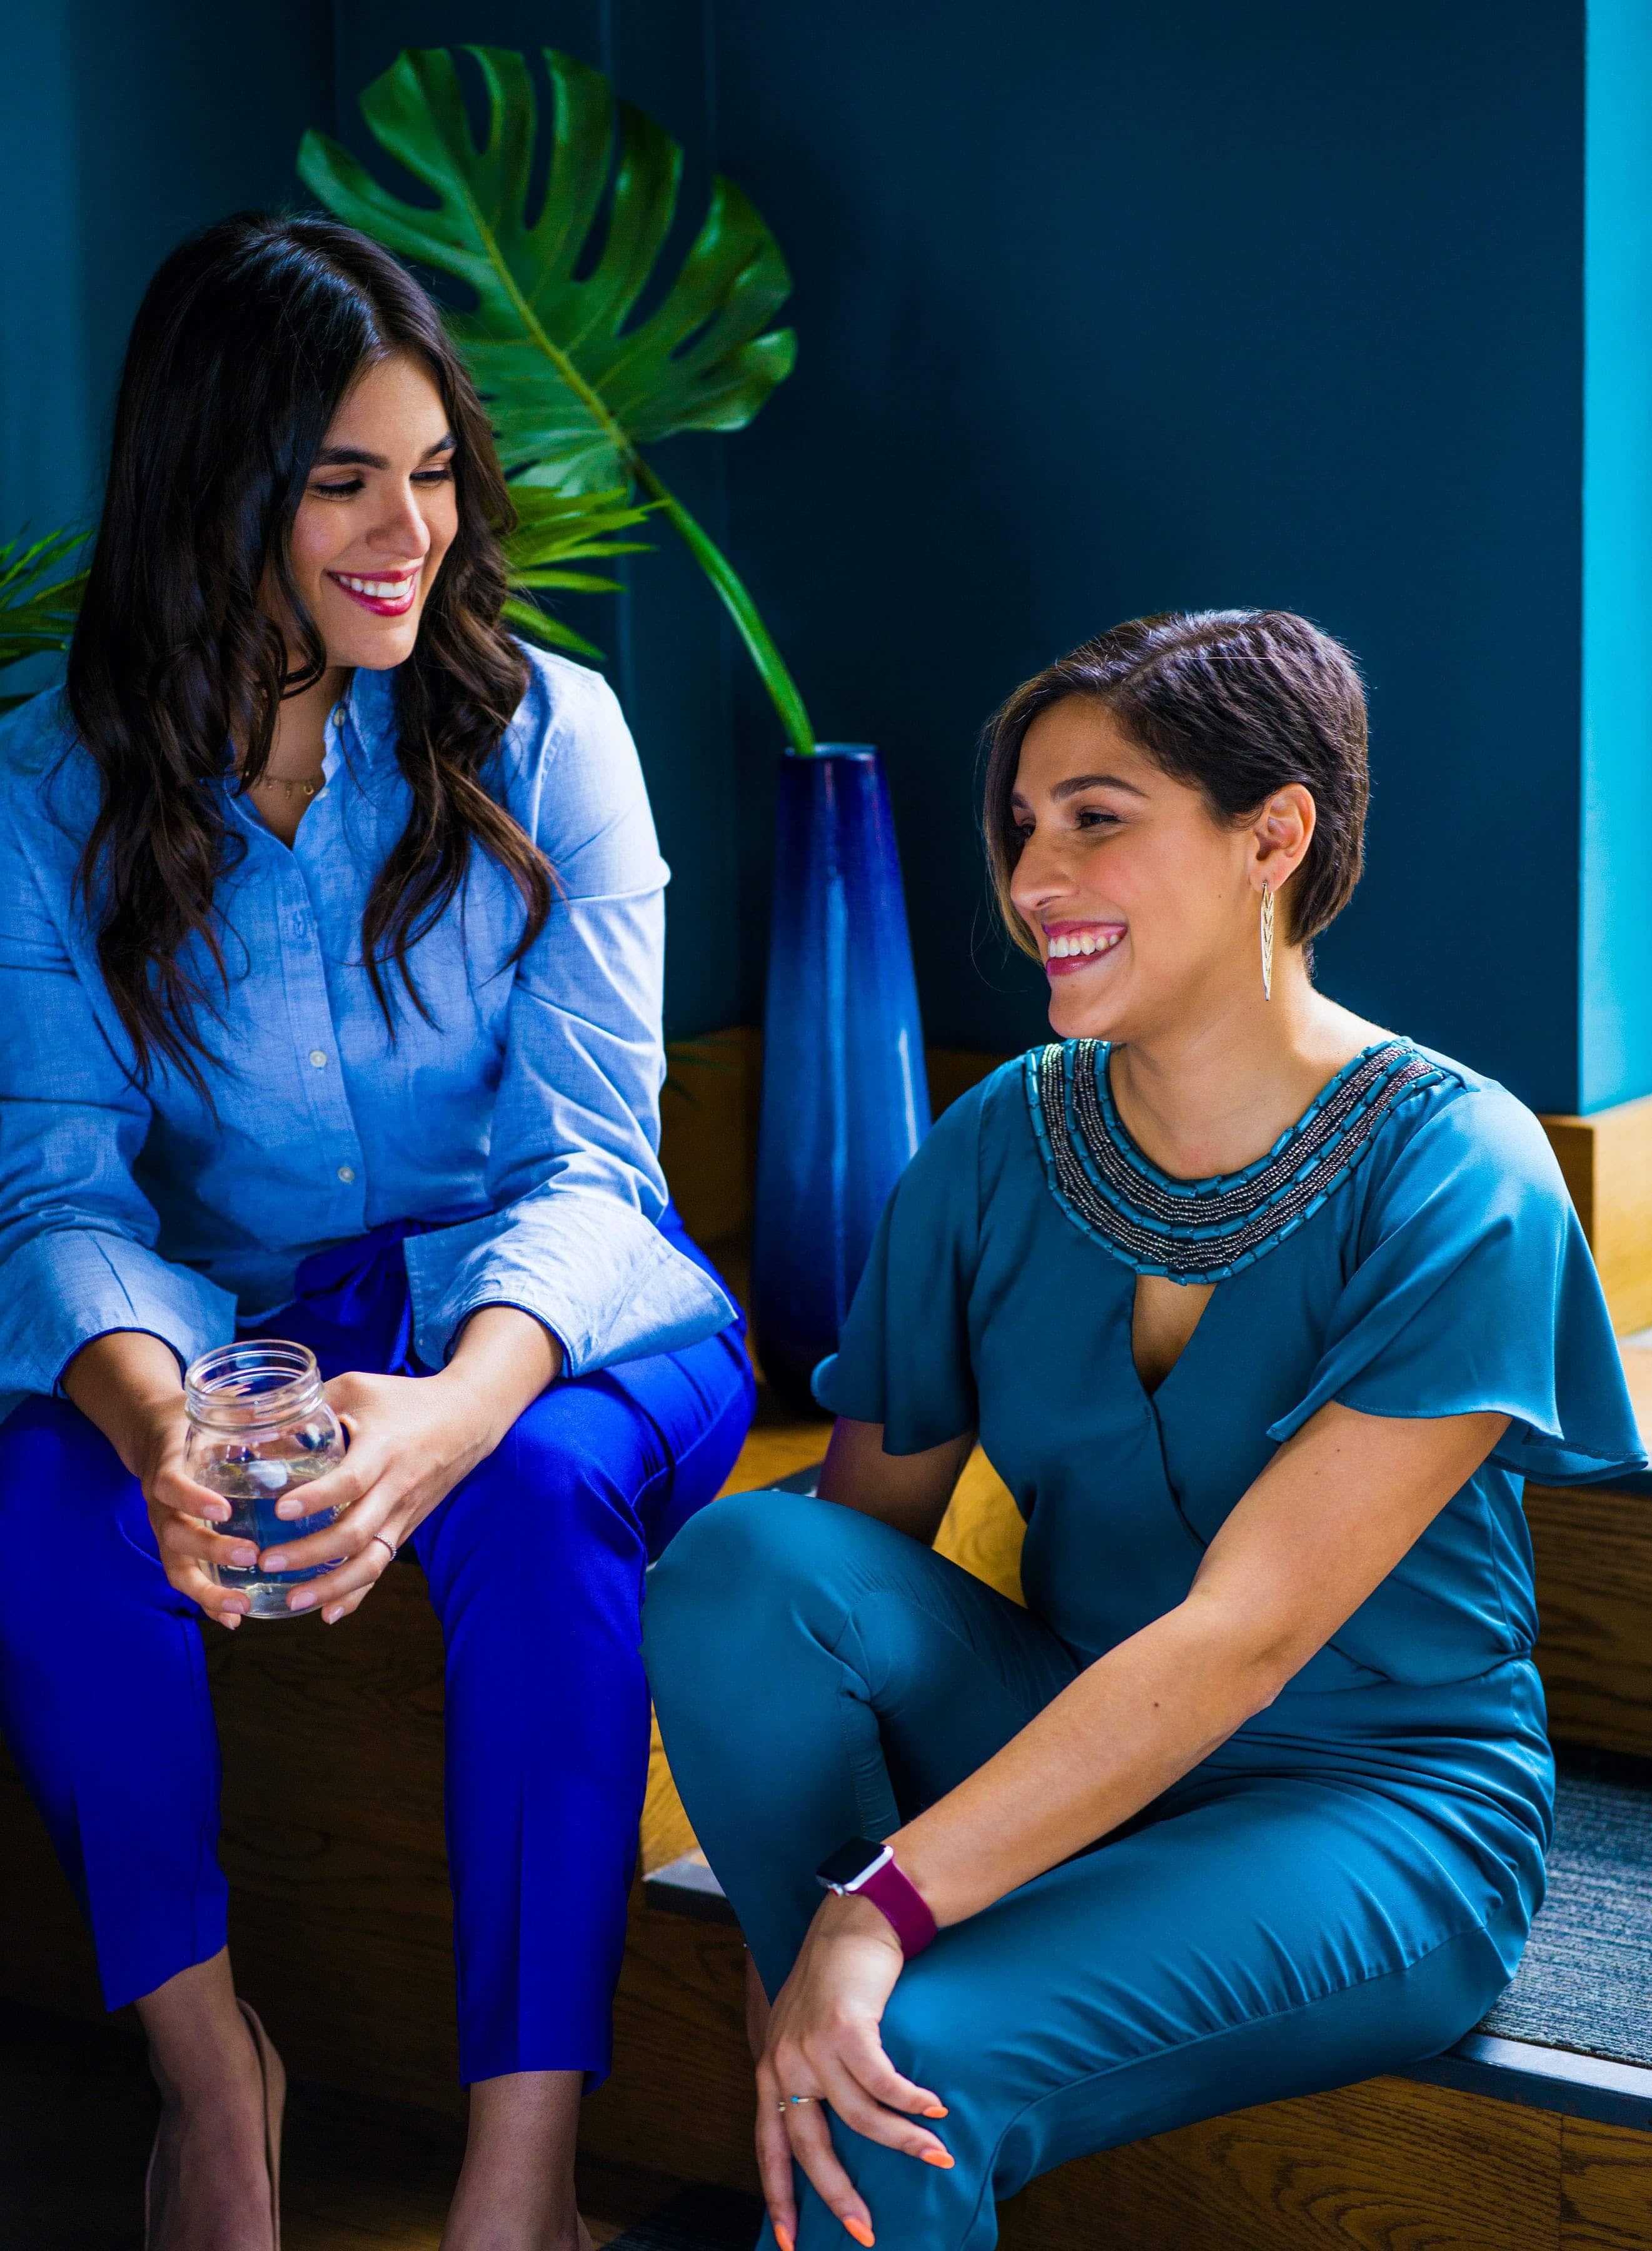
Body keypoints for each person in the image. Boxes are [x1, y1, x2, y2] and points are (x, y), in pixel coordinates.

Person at [643, 610, 1646, 2251]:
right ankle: (838, 2087)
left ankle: (860, 2094)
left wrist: (881, 1904)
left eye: (1095, 817)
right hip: (1067, 1743)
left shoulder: (1458, 1172)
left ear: (1274, 834)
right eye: (1019, 825)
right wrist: (859, 1899)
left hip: (1369, 1812)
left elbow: (1243, 1641)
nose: (1033, 874)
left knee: (915, 2054)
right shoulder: (991, 1147)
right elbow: (846, 1568)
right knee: (747, 1559)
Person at [0, 213, 754, 2251]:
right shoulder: (40, 784)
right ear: (211, 484)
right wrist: (163, 1427)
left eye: (430, 474)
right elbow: (59, 1183)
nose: (403, 530)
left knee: (525, 1490)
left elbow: (597, 1167)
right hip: (225, 1328)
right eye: (342, 481)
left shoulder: (552, 734)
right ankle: (209, 2093)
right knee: (47, 1514)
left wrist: (439, 1416)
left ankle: (519, 2182)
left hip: (562, 1320)